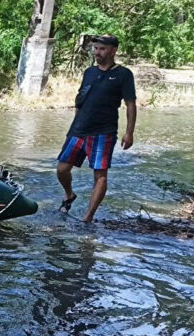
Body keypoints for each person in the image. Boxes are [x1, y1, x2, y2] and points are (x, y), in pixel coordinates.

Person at [57, 34, 137, 222]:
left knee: (100, 175)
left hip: (103, 131)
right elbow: (80, 99)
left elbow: (131, 104)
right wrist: (74, 126)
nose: (97, 52)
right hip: (79, 129)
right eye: (95, 48)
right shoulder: (89, 72)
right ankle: (69, 195)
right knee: (62, 169)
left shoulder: (123, 74)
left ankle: (88, 217)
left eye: (101, 49)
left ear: (113, 50)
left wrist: (129, 132)